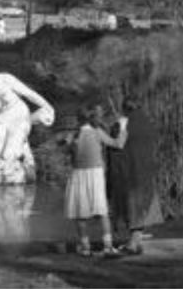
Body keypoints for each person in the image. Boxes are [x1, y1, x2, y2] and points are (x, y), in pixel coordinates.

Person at [66, 104, 127, 257]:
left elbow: (69, 154)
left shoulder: (74, 135)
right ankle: (108, 246)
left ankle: (85, 248)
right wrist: (123, 127)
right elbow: (118, 144)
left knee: (80, 213)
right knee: (102, 211)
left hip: (78, 175)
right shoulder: (97, 132)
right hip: (95, 174)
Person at [106, 98, 162, 255]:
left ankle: (133, 243)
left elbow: (118, 145)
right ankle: (135, 242)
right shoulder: (147, 123)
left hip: (130, 173)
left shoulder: (124, 124)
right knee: (141, 207)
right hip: (146, 172)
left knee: (132, 207)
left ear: (124, 109)